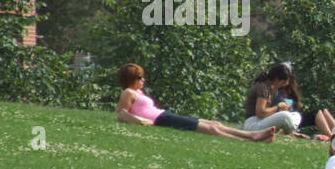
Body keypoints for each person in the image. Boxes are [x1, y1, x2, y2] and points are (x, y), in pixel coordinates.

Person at [116, 63, 275, 142]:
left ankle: (253, 135)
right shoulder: (128, 92)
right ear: (130, 78)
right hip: (160, 119)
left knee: (215, 123)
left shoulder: (138, 92)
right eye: (139, 77)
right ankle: (251, 137)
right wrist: (142, 122)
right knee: (210, 129)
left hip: (164, 115)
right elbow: (122, 114)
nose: (143, 80)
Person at [264, 62, 335, 137]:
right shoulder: (275, 91)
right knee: (316, 113)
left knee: (323, 110)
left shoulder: (289, 91)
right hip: (285, 119)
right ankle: (331, 137)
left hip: (294, 116)